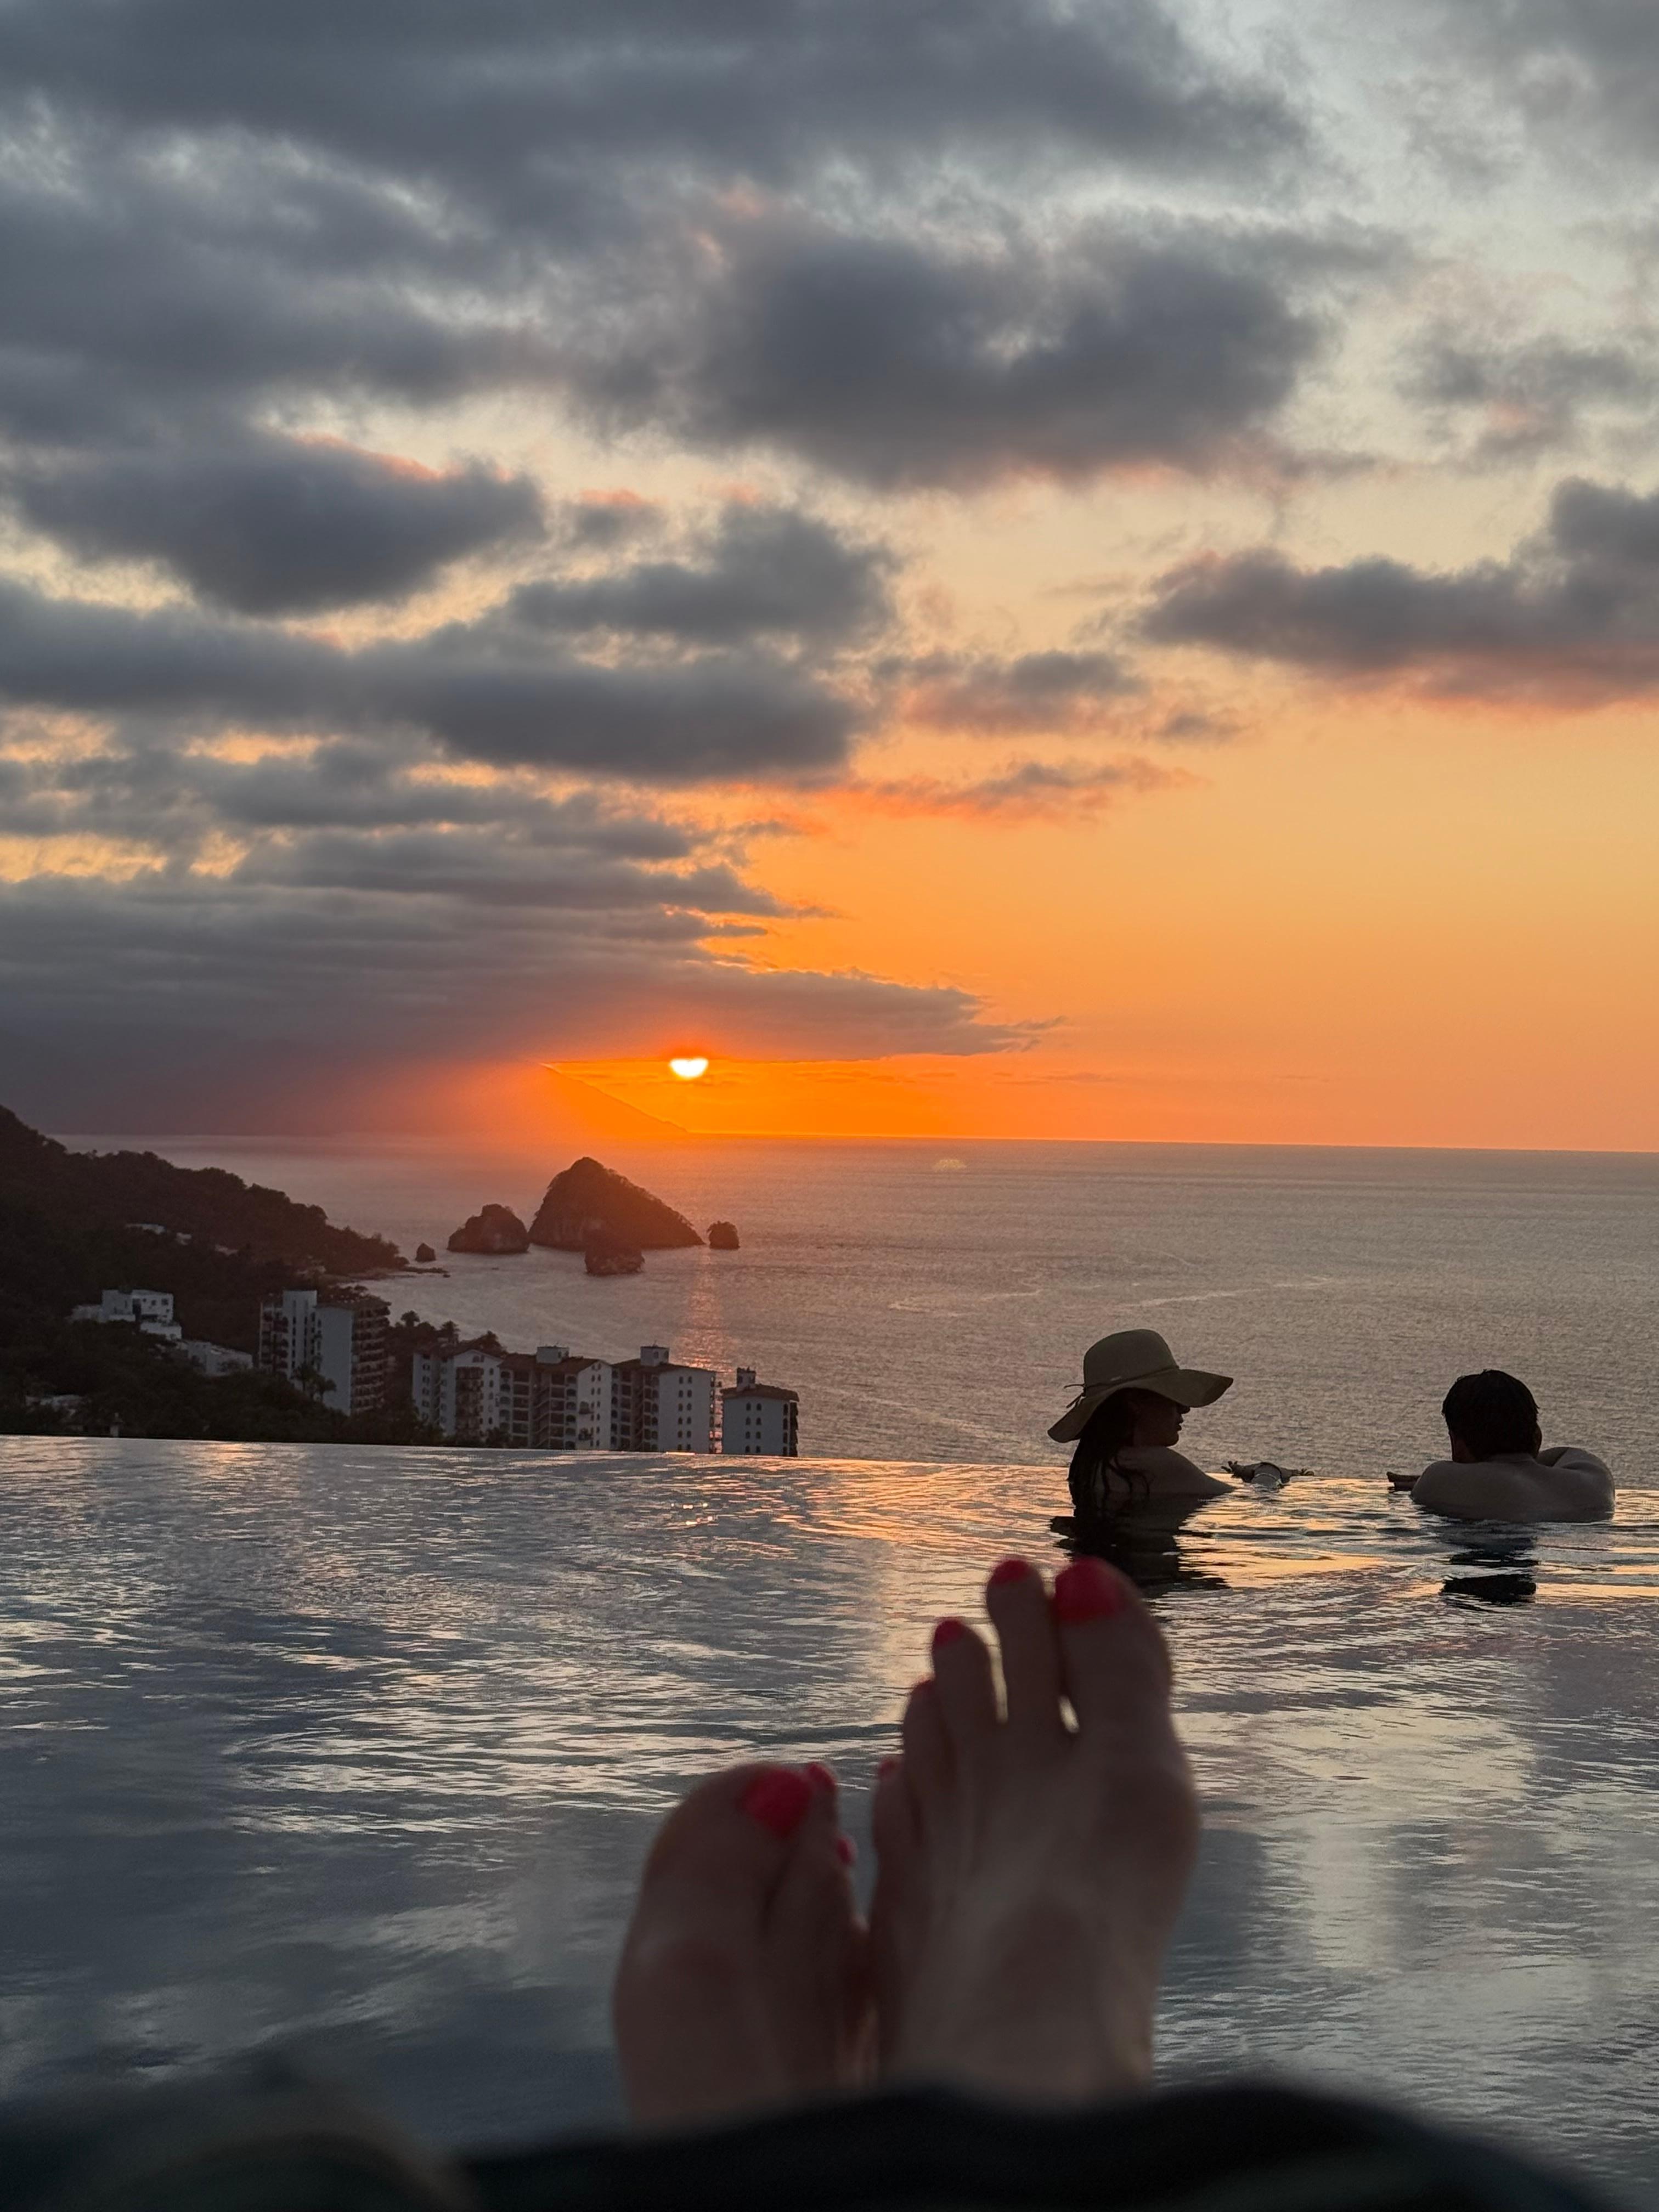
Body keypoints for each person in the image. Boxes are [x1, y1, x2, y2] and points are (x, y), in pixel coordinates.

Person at [1047, 1328, 1234, 1518]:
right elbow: (1241, 1503)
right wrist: (1263, 1474)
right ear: (1135, 1402)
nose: (1184, 1408)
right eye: (1171, 1395)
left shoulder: (1092, 1466)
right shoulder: (1156, 1465)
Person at [1401, 1370, 1613, 1524]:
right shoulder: (1593, 1482)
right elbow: (1567, 1453)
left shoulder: (1439, 1480)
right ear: (1537, 1436)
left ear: (1457, 1444)